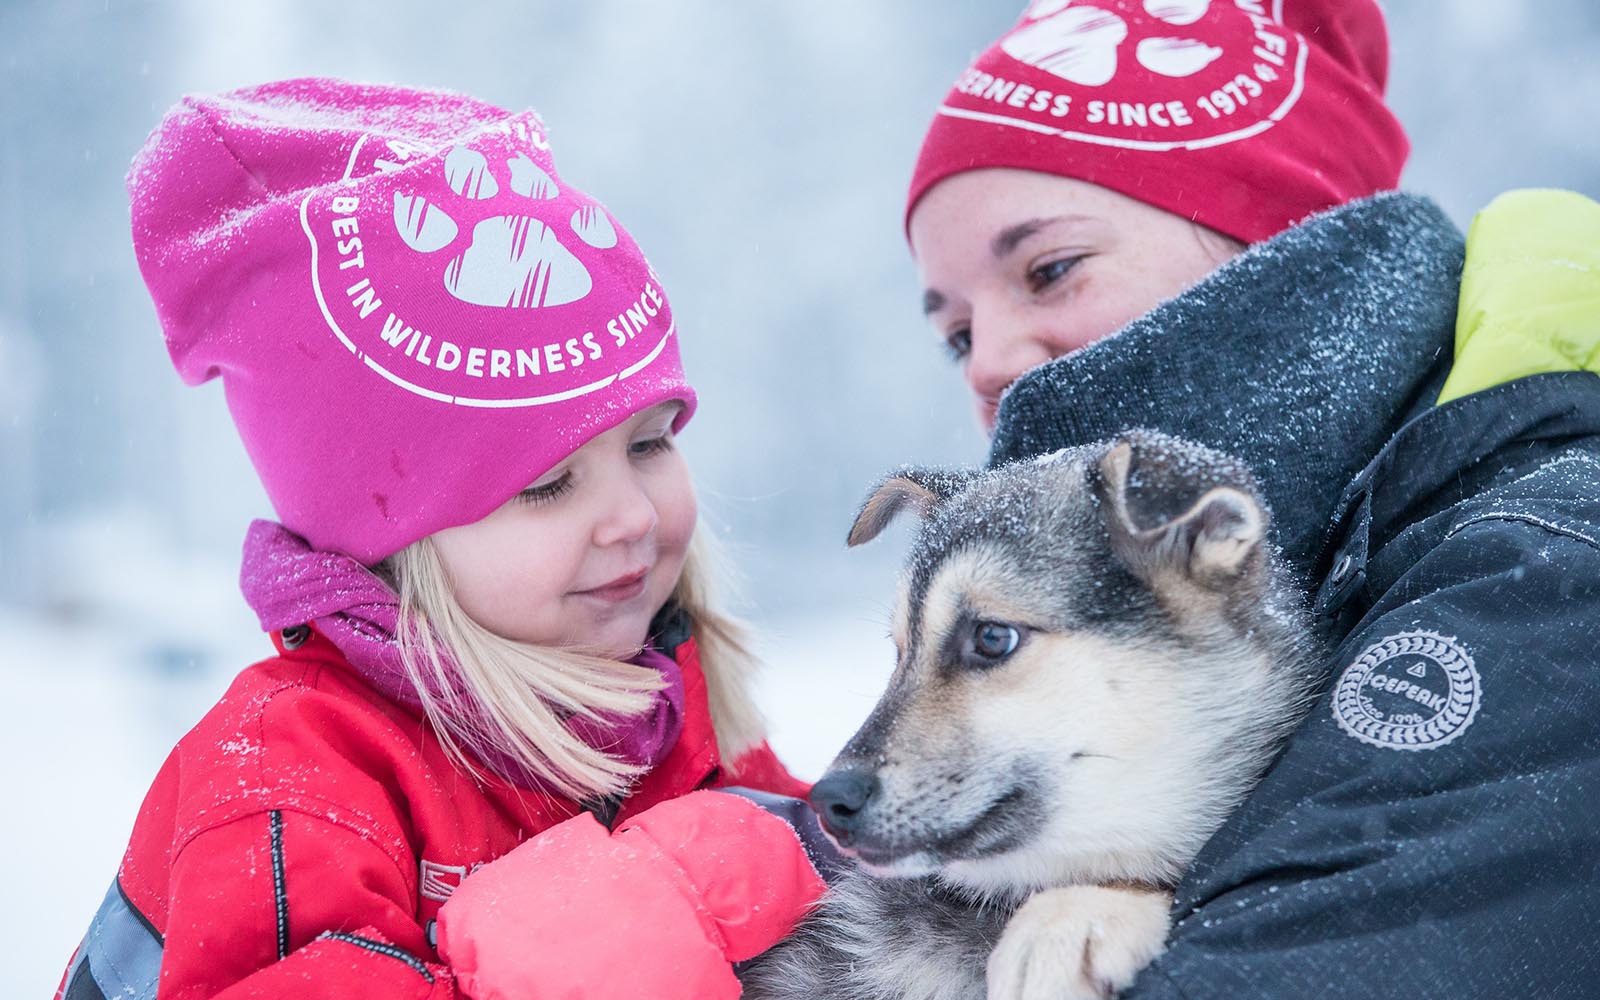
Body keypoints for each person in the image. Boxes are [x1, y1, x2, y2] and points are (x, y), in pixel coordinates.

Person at [55, 78, 828, 1000]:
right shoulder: (288, 773)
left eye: (652, 442)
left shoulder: (662, 707)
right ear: (390, 541)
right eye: (547, 485)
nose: (632, 515)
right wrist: (642, 917)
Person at [904, 1, 1600, 996]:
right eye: (956, 332)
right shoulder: (1286, 576)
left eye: (1049, 271)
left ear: (1284, 246)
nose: (990, 364)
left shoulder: (1545, 565)